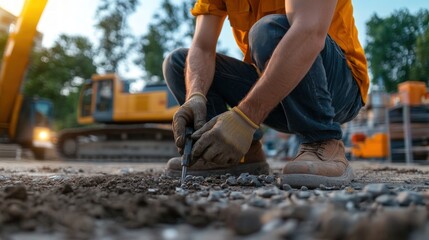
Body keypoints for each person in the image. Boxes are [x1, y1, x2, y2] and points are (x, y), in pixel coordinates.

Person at [162, 0, 369, 187]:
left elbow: (309, 32)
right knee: (179, 63)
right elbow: (202, 47)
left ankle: (323, 141)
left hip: (339, 90)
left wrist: (244, 119)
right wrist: (196, 97)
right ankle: (236, 153)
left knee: (267, 30)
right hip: (276, 91)